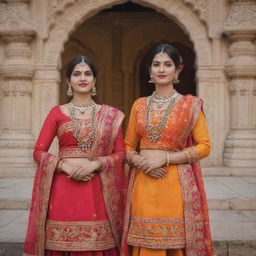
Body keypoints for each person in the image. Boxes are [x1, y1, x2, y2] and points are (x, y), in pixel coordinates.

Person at [23, 56, 126, 256]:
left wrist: (94, 165)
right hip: (63, 186)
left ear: (95, 80)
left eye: (88, 74)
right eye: (76, 74)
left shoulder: (110, 114)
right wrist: (64, 166)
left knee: (96, 244)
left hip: (96, 187)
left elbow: (121, 154)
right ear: (68, 81)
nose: (83, 78)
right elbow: (38, 151)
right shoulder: (57, 113)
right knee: (61, 243)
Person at [122, 43, 214, 256]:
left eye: (167, 64)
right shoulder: (139, 105)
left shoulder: (189, 105)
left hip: (174, 184)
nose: (161, 69)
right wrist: (140, 162)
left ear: (178, 69)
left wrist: (165, 159)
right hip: (143, 184)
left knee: (172, 244)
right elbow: (127, 146)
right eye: (156, 64)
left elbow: (205, 147)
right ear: (150, 70)